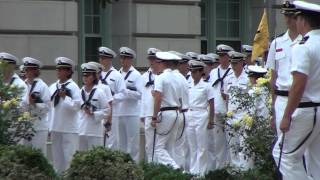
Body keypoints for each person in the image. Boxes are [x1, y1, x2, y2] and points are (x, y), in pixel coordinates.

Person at [275, 1, 320, 179]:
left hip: (306, 110)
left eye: (297, 18)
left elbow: (298, 84)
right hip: (317, 108)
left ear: (303, 21)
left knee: (283, 156)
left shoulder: (304, 46)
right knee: (316, 161)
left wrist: (286, 115)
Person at [266, 0, 302, 136]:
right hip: (282, 98)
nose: (288, 19)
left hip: (302, 99)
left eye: (291, 16)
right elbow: (273, 78)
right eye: (285, 15)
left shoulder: (306, 41)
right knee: (282, 142)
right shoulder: (277, 43)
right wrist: (273, 110)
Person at [48, 57, 81, 173]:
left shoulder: (73, 87)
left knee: (70, 158)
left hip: (69, 128)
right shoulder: (52, 87)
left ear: (68, 71)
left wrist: (65, 98)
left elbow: (77, 106)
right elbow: (50, 108)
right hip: (56, 126)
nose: (58, 71)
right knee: (57, 159)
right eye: (58, 69)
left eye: (61, 69)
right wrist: (49, 126)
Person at [151, 51, 183, 169]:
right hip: (176, 112)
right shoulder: (177, 77)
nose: (156, 64)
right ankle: (172, 174)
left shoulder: (160, 77)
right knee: (170, 147)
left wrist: (154, 117)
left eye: (157, 62)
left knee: (158, 148)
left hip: (166, 113)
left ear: (162, 63)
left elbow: (158, 98)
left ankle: (177, 170)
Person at [186, 60, 215, 175]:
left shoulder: (206, 86)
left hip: (201, 114)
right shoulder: (189, 84)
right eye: (191, 72)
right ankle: (193, 171)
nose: (193, 74)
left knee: (202, 146)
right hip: (190, 114)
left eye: (195, 72)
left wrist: (211, 120)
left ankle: (201, 173)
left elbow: (211, 103)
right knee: (192, 145)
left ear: (200, 72)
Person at [224, 51, 251, 169]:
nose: (233, 66)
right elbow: (227, 97)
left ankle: (244, 171)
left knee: (244, 147)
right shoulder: (228, 78)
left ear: (242, 62)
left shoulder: (248, 78)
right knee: (232, 146)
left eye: (236, 63)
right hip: (231, 117)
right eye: (232, 63)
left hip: (243, 116)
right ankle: (235, 172)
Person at [210, 44, 234, 169]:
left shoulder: (233, 71)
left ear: (229, 57)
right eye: (220, 56)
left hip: (229, 112)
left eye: (223, 56)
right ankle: (220, 170)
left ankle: (231, 169)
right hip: (216, 111)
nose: (221, 58)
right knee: (218, 143)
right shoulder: (214, 72)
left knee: (231, 142)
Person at [20, 57, 50, 156]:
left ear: (35, 71)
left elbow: (47, 107)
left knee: (39, 154)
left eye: (29, 69)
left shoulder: (42, 86)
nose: (26, 72)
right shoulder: (22, 85)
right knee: (25, 155)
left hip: (39, 126)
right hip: (25, 126)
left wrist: (34, 104)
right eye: (26, 69)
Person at [117, 47, 143, 161]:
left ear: (131, 60)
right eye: (122, 58)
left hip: (132, 113)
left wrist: (126, 92)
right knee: (121, 144)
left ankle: (134, 169)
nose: (123, 60)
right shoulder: (117, 74)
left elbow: (140, 94)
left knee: (133, 144)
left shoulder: (136, 75)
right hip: (119, 112)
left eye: (126, 58)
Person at [98, 46, 126, 150]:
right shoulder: (97, 74)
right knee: (100, 139)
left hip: (113, 112)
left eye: (103, 58)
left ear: (109, 59)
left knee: (112, 140)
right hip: (99, 111)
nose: (100, 60)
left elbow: (123, 94)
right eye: (100, 57)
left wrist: (110, 99)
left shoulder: (117, 75)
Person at [78, 63, 111, 150]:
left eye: (88, 75)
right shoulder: (79, 92)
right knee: (81, 158)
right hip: (81, 129)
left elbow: (107, 111)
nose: (85, 78)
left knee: (94, 157)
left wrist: (94, 113)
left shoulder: (99, 92)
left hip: (94, 131)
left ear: (93, 77)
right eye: (84, 75)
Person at [140, 47, 161, 162]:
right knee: (149, 144)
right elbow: (142, 96)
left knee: (159, 144)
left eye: (154, 59)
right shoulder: (144, 77)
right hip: (148, 113)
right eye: (150, 59)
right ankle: (150, 166)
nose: (152, 62)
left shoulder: (162, 76)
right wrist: (142, 114)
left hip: (160, 113)